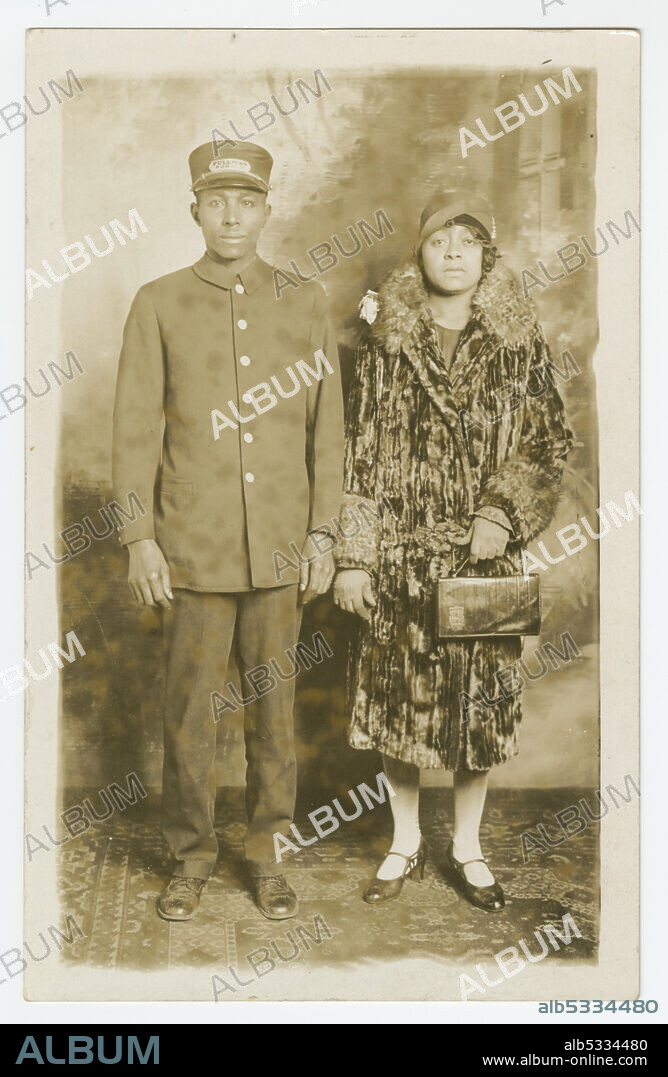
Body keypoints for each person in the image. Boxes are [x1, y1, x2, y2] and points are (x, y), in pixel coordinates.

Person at [112, 140, 344, 921]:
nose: (233, 215)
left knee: (275, 718)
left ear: (266, 209)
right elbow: (136, 428)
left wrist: (322, 533)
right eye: (218, 202)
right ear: (196, 211)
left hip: (280, 546)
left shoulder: (305, 301)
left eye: (247, 202)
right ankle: (190, 857)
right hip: (191, 545)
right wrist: (139, 535)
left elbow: (326, 434)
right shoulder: (158, 300)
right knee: (190, 715)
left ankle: (268, 855)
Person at [333, 191, 573, 910]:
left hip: (482, 560)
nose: (454, 253)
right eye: (441, 240)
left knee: (481, 712)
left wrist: (502, 512)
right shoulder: (385, 341)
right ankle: (403, 841)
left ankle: (467, 846)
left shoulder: (517, 339)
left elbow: (547, 441)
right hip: (400, 558)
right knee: (395, 705)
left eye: (469, 241)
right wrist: (354, 555)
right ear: (422, 252)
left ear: (486, 255)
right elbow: (360, 450)